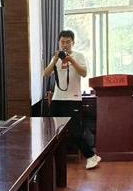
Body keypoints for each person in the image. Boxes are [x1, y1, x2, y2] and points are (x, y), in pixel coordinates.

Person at [42, 29, 101, 169]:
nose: (65, 44)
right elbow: (46, 74)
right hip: (57, 99)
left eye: (68, 42)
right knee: (52, 131)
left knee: (75, 131)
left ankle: (91, 156)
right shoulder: (56, 57)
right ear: (59, 42)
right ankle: (53, 160)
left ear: (73, 43)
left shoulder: (79, 56)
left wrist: (71, 60)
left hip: (73, 99)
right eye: (62, 42)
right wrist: (55, 60)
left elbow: (84, 73)